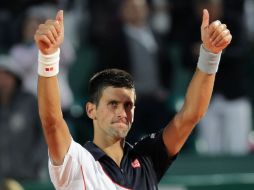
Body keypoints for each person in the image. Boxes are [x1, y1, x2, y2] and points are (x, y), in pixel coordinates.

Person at [34, 9, 231, 190]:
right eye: (113, 104)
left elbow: (190, 115)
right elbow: (52, 121)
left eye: (129, 105)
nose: (122, 112)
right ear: (91, 110)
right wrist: (48, 56)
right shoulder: (75, 161)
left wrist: (210, 55)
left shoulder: (146, 159)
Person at [0, 55, 46, 181]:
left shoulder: (30, 102)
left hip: (27, 175)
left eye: (6, 75)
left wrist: (37, 161)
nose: (2, 81)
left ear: (16, 78)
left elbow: (46, 134)